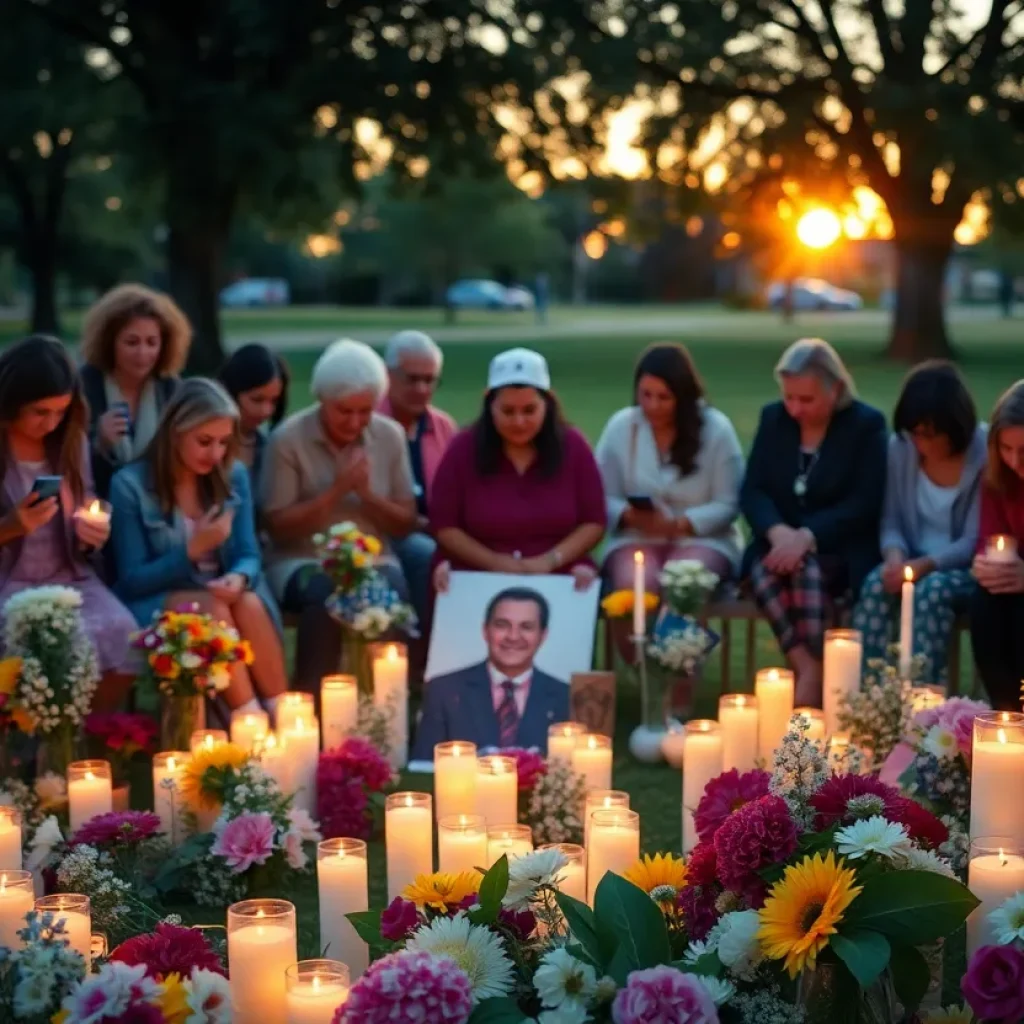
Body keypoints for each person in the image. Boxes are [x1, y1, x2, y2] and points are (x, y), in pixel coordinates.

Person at [109, 378, 288, 716]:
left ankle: (285, 715)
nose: (216, 453)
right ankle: (249, 719)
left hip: (221, 594)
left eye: (224, 442)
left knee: (248, 602)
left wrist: (239, 577)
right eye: (204, 441)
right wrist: (192, 550)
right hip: (159, 598)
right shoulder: (130, 485)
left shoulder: (231, 474)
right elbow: (132, 580)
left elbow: (249, 554)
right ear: (176, 431)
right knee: (211, 608)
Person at [262, 339, 417, 692]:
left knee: (391, 591)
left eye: (365, 411)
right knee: (327, 591)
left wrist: (366, 495)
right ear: (322, 400)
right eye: (344, 411)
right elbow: (278, 526)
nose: (356, 422)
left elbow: (406, 522)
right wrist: (337, 490)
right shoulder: (288, 439)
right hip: (301, 559)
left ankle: (385, 704)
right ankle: (313, 699)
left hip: (374, 557)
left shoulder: (389, 436)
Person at [740, 339, 887, 704]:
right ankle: (808, 666)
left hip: (838, 547)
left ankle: (813, 682)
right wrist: (779, 533)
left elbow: (865, 502)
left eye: (806, 400)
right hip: (777, 543)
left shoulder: (865, 426)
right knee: (763, 569)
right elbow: (753, 490)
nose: (794, 408)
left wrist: (806, 536)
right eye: (789, 397)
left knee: (803, 572)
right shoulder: (773, 419)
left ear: (835, 388)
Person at [0, 336, 136, 700]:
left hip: (68, 576)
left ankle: (81, 738)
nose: (51, 422)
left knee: (122, 632)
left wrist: (90, 529)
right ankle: (31, 742)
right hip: (9, 583)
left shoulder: (69, 443)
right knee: (38, 648)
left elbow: (85, 496)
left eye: (60, 412)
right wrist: (10, 527)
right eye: (40, 412)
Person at [596, 343, 744, 656]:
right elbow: (600, 494)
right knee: (633, 585)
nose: (652, 406)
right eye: (645, 394)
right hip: (636, 537)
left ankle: (679, 689)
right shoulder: (622, 427)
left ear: (684, 396)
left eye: (664, 397)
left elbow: (729, 503)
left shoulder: (716, 430)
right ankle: (646, 674)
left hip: (705, 539)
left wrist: (681, 523)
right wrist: (629, 516)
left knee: (684, 583)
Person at [430, 348, 605, 592]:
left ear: (548, 402)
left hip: (559, 570)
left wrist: (549, 561)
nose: (519, 422)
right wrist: (496, 563)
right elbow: (444, 525)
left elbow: (594, 521)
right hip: (475, 570)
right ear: (489, 402)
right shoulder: (463, 447)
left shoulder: (573, 446)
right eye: (508, 411)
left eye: (529, 410)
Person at [853, 362, 985, 683]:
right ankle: (871, 693)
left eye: (930, 434)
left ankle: (921, 697)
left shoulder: (984, 452)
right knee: (874, 585)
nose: (920, 443)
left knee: (931, 593)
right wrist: (895, 555)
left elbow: (973, 538)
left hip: (961, 569)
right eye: (915, 433)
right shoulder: (901, 448)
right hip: (912, 560)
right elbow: (892, 519)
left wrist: (926, 565)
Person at [411, 586, 568, 757]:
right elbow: (422, 769)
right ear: (485, 631)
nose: (513, 636)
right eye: (502, 625)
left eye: (526, 627)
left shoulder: (566, 696)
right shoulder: (444, 690)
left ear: (542, 636)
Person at [79, 284, 191, 498]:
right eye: (131, 342)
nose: (142, 353)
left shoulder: (170, 388)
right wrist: (99, 444)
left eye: (152, 343)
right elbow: (70, 469)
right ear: (109, 342)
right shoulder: (86, 386)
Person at [379, 330, 457, 625]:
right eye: (412, 379)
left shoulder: (443, 427)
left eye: (430, 380)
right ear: (388, 376)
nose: (422, 389)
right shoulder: (369, 423)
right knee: (425, 555)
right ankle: (418, 659)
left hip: (438, 530)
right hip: (385, 533)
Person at [970, 381, 1024, 709]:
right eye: (1006, 449)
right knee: (984, 602)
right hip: (1011, 586)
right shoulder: (998, 480)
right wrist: (983, 564)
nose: (1015, 461)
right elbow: (988, 539)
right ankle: (1005, 712)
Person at [218, 343, 289, 498]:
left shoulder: (269, 447)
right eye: (257, 400)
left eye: (274, 401)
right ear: (231, 391)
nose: (266, 411)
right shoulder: (208, 444)